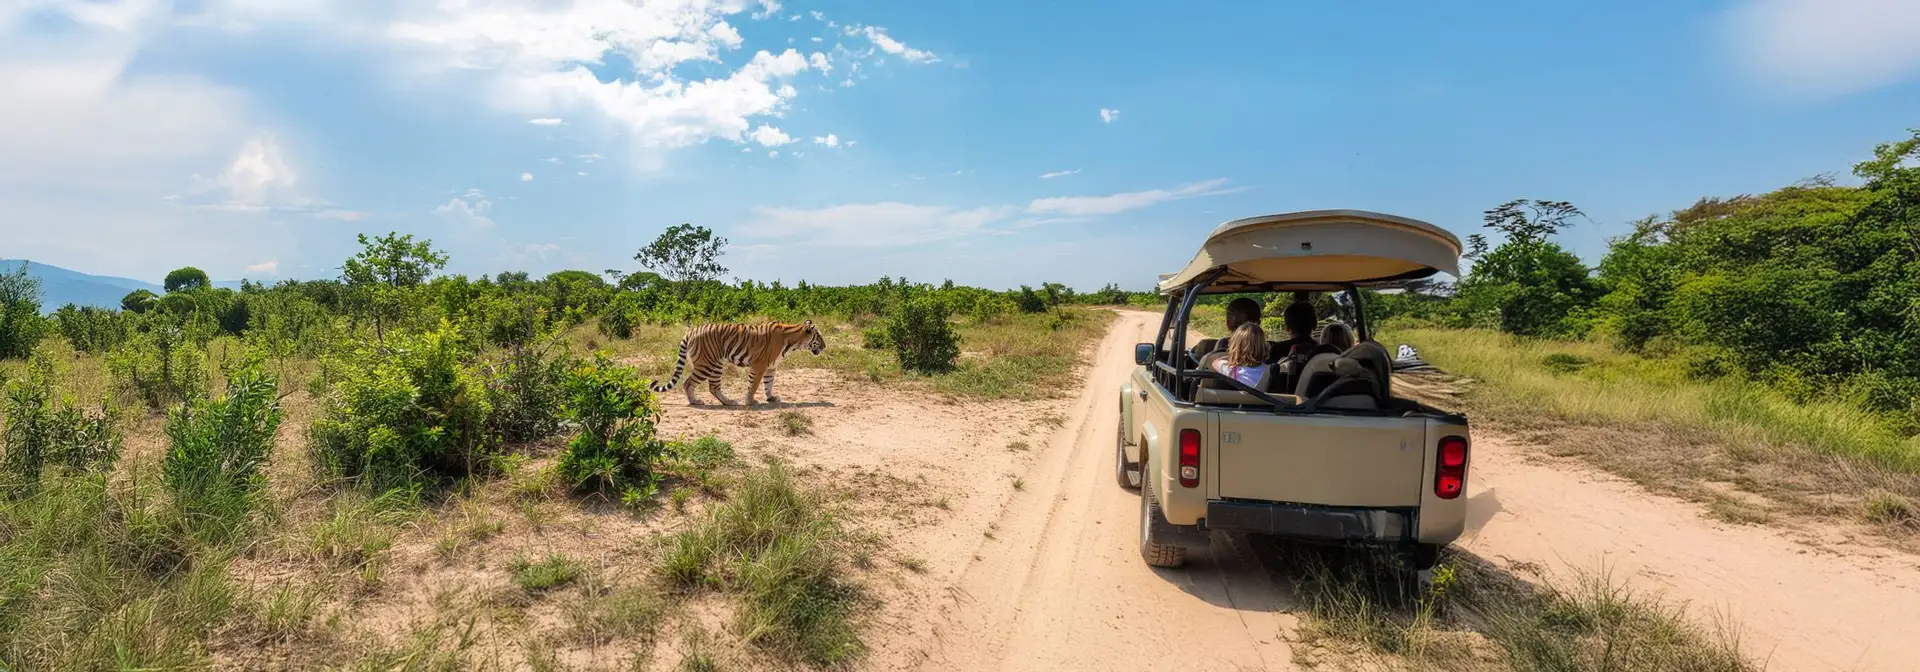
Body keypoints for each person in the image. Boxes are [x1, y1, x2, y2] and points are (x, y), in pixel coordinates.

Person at [1210, 322, 1270, 389]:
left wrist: (1233, 355)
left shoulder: (1231, 370)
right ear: (1264, 346)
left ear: (1235, 347)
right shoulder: (1269, 370)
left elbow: (1215, 363)